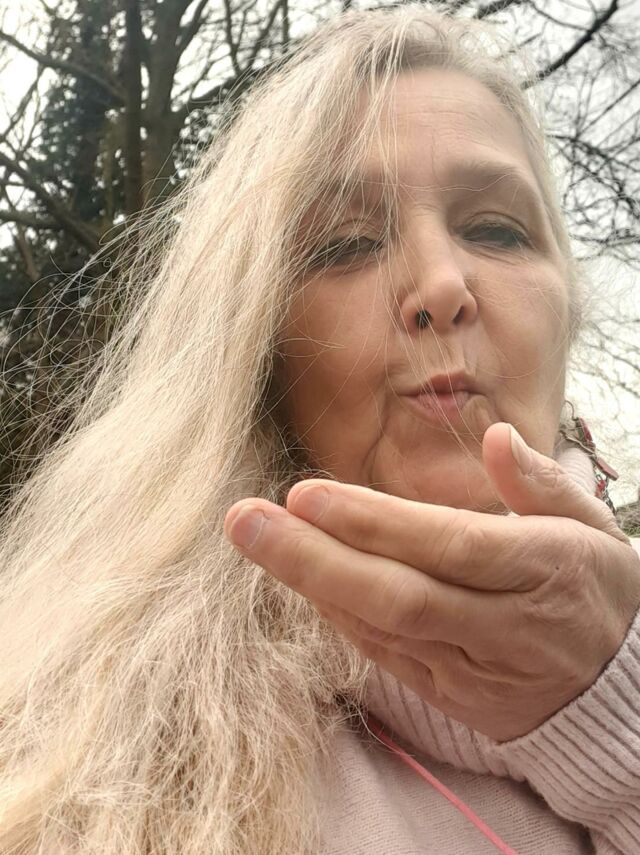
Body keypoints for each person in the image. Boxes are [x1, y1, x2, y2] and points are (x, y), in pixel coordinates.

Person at [0, 4, 638, 853]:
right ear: (256, 347)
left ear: (568, 309)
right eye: (345, 245)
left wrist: (613, 701)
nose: (442, 285)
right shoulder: (81, 747)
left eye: (495, 229)